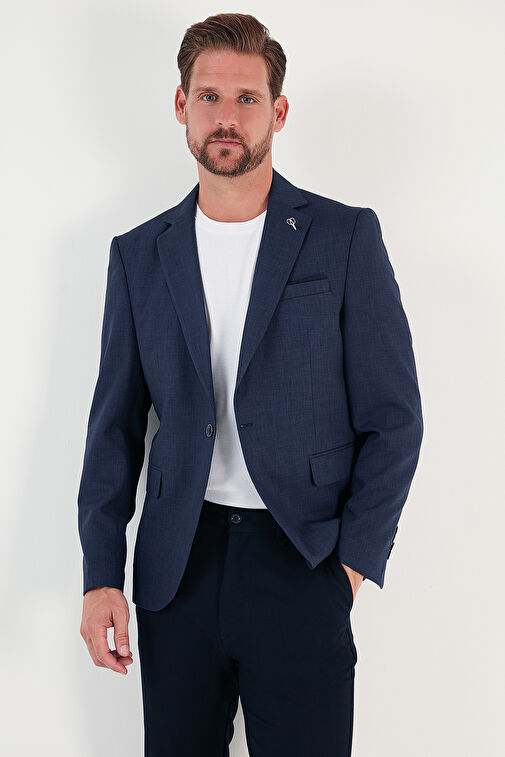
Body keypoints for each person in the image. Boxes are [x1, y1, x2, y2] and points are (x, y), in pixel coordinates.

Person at [78, 12, 423, 756]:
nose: (226, 117)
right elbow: (113, 427)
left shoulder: (343, 237)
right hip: (177, 567)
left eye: (246, 98)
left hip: (301, 558)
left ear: (278, 110)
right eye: (208, 97)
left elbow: (394, 419)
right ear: (181, 106)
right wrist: (101, 574)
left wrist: (347, 568)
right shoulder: (139, 255)